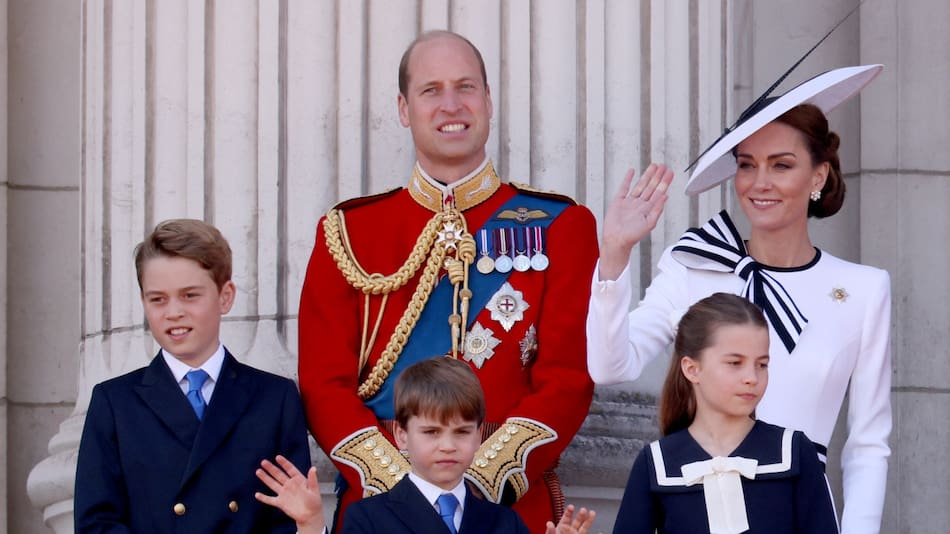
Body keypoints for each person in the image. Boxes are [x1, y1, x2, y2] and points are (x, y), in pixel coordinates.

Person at [297, 30, 598, 532]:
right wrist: (404, 489)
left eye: (466, 87)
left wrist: (477, 481)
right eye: (430, 90)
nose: (451, 105)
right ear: (404, 108)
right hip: (382, 512)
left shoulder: (561, 226)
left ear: (488, 100)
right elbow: (323, 384)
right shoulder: (348, 232)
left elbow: (568, 379)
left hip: (507, 511)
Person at [587, 65, 891, 533]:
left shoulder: (863, 290)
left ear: (818, 175)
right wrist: (614, 255)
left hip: (796, 508)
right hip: (692, 503)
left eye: (781, 165)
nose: (759, 182)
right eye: (747, 164)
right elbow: (610, 367)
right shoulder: (692, 266)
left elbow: (868, 444)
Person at [74, 219, 312, 533]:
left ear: (225, 296)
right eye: (157, 299)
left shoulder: (274, 399)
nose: (173, 312)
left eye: (189, 295)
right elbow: (96, 523)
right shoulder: (115, 403)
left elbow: (290, 520)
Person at [256, 357, 597, 534]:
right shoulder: (368, 517)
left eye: (461, 432)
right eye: (431, 432)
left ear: (479, 435)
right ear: (402, 435)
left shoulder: (505, 523)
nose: (447, 446)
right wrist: (311, 526)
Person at [613, 293, 838, 533]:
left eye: (762, 364)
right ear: (692, 369)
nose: (752, 378)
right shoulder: (656, 462)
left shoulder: (794, 452)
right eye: (735, 363)